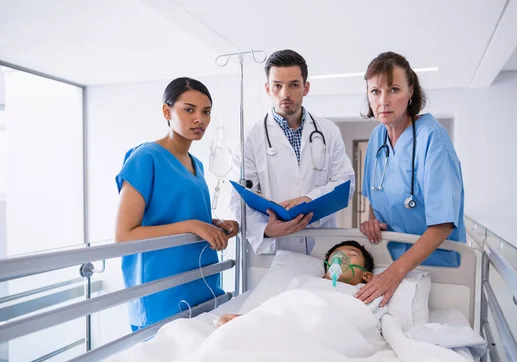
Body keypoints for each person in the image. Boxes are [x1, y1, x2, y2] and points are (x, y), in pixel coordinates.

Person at [115, 77, 239, 330]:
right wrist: (193, 225)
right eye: (189, 109)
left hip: (200, 284)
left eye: (206, 112)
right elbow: (124, 235)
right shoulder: (145, 157)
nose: (199, 119)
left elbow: (177, 215)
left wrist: (213, 225)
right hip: (161, 291)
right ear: (166, 111)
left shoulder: (197, 164)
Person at [357, 51, 466, 308]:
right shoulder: (376, 138)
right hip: (387, 261)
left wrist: (395, 273)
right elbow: (376, 195)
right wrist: (372, 222)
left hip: (437, 270)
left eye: (393, 89)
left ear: (411, 93)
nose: (383, 100)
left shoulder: (433, 138)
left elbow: (443, 224)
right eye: (375, 92)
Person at [229, 49, 355, 255]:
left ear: (306, 88)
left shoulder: (329, 131)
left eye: (293, 85)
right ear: (268, 88)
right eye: (277, 85)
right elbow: (238, 198)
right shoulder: (250, 138)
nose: (285, 94)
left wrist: (310, 198)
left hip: (322, 245)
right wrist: (264, 229)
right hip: (275, 250)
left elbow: (345, 183)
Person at [216, 240, 385, 328]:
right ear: (325, 272)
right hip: (290, 326)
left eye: (352, 254)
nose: (342, 259)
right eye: (336, 256)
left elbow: (371, 323)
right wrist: (246, 319)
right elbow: (279, 307)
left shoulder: (366, 292)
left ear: (367, 276)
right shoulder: (305, 282)